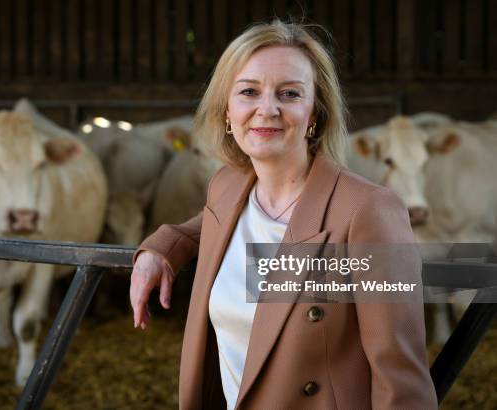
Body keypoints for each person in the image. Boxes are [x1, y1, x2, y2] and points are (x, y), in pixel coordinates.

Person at [129, 19, 437, 409]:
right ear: (227, 110)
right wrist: (161, 248)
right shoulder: (227, 186)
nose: (267, 109)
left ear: (315, 113)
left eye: (289, 93)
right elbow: (209, 228)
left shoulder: (368, 211)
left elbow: (401, 380)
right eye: (249, 92)